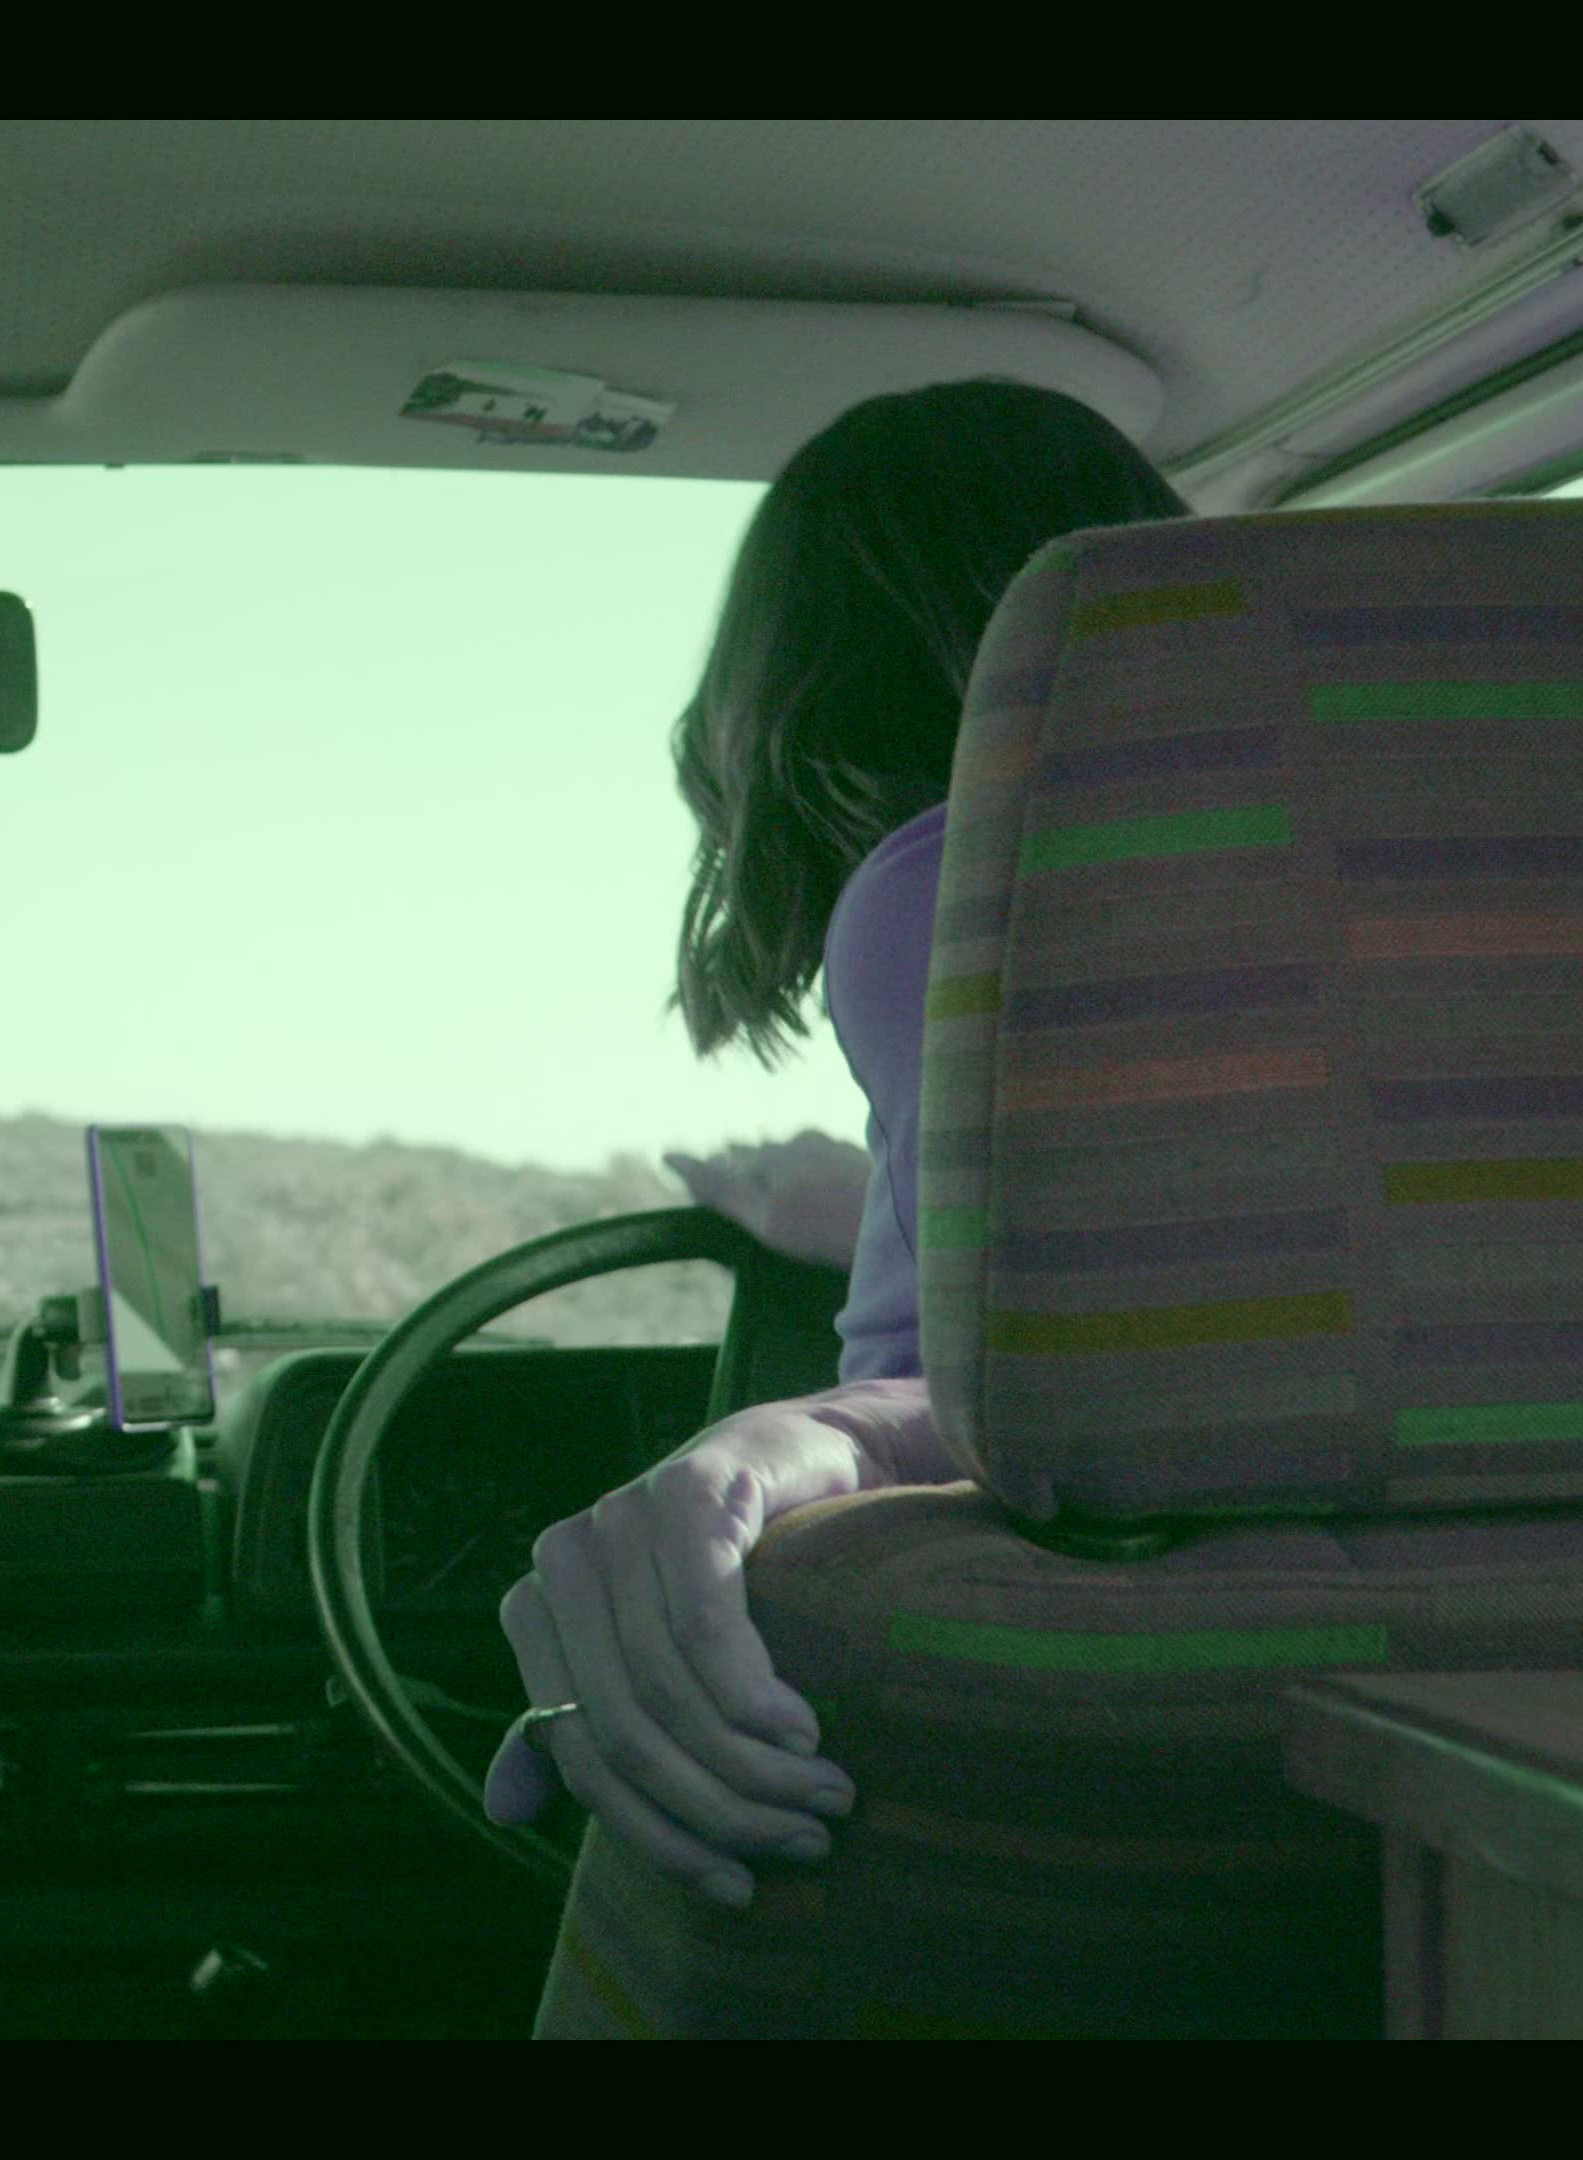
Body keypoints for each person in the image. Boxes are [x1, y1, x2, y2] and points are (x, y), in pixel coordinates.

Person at [483, 382, 1191, 1911]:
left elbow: (1071, 1418)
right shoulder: (1286, 879)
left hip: (981, 1753)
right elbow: (1208, 1305)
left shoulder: (953, 876)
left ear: (794, 685)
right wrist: (877, 1209)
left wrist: (820, 1436)